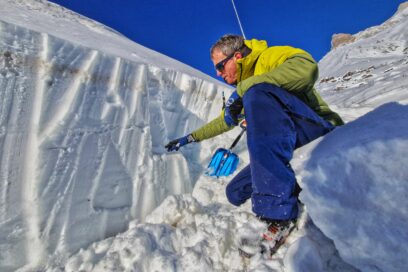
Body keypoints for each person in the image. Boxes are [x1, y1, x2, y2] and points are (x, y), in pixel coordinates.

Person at [165, 34, 343, 248]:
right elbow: (224, 122)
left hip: (316, 130)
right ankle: (292, 193)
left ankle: (277, 215)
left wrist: (244, 90)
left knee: (256, 92)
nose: (218, 73)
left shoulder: (268, 58)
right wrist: (188, 138)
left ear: (237, 57)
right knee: (235, 192)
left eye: (221, 67)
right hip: (288, 144)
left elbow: (307, 69)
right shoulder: (248, 91)